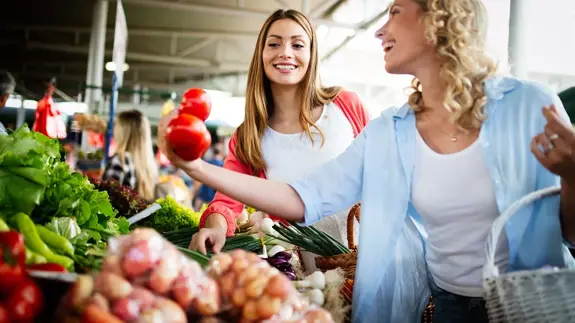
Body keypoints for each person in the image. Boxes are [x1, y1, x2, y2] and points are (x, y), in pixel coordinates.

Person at [160, 0, 575, 322]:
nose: (380, 29)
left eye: (394, 11)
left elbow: (568, 232)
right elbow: (304, 198)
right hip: (444, 304)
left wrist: (573, 176)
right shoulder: (390, 132)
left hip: (533, 305)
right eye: (274, 43)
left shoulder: (528, 107)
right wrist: (197, 168)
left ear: (438, 19)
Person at [179, 9, 370, 267]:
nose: (286, 52)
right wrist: (215, 228)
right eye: (274, 43)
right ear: (261, 53)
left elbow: (381, 173)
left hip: (368, 263)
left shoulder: (346, 106)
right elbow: (227, 201)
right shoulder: (249, 135)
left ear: (312, 54)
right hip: (304, 278)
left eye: (298, 44)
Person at [102, 110, 158, 202]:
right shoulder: (149, 164)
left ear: (123, 133)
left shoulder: (121, 161)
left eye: (117, 126)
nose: (114, 131)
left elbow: (107, 200)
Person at [192, 143, 225, 210]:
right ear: (221, 153)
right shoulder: (223, 165)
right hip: (215, 190)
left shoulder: (207, 163)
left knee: (199, 202)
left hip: (206, 187)